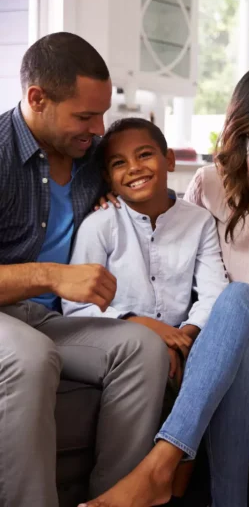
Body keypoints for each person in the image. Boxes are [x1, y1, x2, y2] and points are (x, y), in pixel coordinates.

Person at [82, 64, 249, 507]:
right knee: (245, 350)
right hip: (237, 332)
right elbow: (171, 240)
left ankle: (161, 464)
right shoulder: (209, 183)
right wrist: (116, 204)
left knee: (238, 296)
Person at [0, 32, 168, 506]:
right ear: (37, 98)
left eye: (101, 114)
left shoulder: (93, 157)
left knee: (143, 349)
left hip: (52, 320)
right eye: (84, 115)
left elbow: (148, 185)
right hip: (8, 321)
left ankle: (111, 501)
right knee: (29, 358)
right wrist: (50, 275)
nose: (98, 128)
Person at [63, 117, 228, 378]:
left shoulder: (199, 221)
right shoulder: (99, 225)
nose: (134, 168)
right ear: (108, 178)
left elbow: (214, 292)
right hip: (118, 336)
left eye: (144, 155)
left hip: (183, 334)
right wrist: (144, 327)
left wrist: (181, 338)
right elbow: (78, 305)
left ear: (170, 160)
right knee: (149, 357)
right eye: (119, 163)